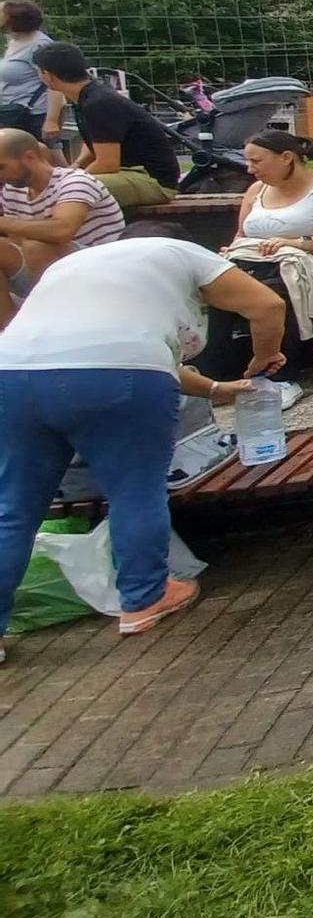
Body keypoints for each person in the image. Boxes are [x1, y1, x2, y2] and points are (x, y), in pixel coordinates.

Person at [0, 225, 286, 658]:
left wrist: (215, 389)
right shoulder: (186, 252)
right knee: (135, 488)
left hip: (13, 372)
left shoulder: (77, 265)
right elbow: (267, 305)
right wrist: (263, 360)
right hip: (120, 376)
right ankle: (143, 598)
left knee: (14, 507)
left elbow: (127, 351)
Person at [190, 129, 313, 408]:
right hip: (264, 263)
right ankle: (213, 375)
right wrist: (232, 251)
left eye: (256, 161)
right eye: (248, 161)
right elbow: (242, 234)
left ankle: (281, 377)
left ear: (286, 157)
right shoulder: (256, 191)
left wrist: (297, 243)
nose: (250, 169)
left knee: (279, 288)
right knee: (218, 288)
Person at [32, 41, 181, 208]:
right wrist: (76, 166)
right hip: (132, 174)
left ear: (48, 75)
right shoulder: (88, 97)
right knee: (62, 186)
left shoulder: (98, 103)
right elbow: (97, 141)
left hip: (152, 181)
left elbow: (107, 163)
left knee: (66, 191)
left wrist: (71, 179)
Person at [0, 128, 124, 323]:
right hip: (45, 270)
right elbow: (17, 240)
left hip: (100, 270)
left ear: (29, 157)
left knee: (37, 245)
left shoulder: (75, 181)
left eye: (1, 167)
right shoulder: (11, 191)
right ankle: (9, 331)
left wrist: (5, 223)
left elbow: (63, 230)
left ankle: (50, 320)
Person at [0, 0, 65, 154]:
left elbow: (55, 83)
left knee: (45, 157)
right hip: (12, 111)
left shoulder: (39, 45)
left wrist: (51, 121)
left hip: (33, 115)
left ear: (14, 18)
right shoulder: (15, 41)